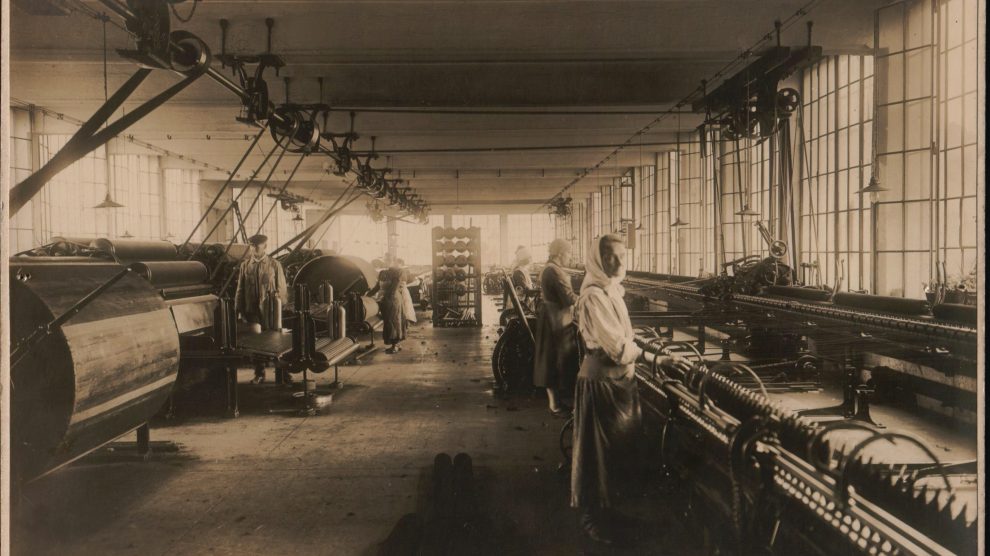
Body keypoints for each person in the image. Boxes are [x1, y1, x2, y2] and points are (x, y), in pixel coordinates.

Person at [570, 234, 690, 545]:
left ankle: (612, 513)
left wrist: (647, 351)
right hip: (601, 382)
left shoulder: (612, 291)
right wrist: (656, 358)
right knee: (597, 453)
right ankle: (593, 521)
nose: (620, 261)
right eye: (612, 256)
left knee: (617, 451)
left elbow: (625, 337)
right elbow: (617, 347)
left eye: (623, 255)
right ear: (599, 260)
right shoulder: (593, 296)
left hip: (619, 380)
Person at [234, 234, 289, 384]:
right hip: (252, 309)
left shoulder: (274, 264)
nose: (255, 248)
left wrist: (279, 308)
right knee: (256, 342)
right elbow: (240, 289)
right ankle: (259, 374)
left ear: (265, 246)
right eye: (252, 246)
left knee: (277, 340)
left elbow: (282, 289)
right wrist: (238, 309)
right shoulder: (245, 265)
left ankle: (283, 374)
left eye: (257, 245)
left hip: (271, 310)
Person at [533, 239, 578, 417]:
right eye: (569, 253)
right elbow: (568, 298)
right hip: (556, 320)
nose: (570, 257)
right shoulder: (554, 271)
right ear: (560, 253)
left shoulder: (550, 268)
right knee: (555, 361)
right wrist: (588, 298)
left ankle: (556, 403)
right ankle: (556, 405)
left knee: (552, 361)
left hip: (553, 318)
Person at [380, 267, 408, 354]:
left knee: (394, 321)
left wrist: (385, 297)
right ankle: (396, 345)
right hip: (390, 299)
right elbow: (377, 287)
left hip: (393, 300)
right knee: (391, 321)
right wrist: (368, 295)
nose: (382, 278)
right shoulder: (386, 276)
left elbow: (392, 290)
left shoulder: (395, 279)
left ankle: (395, 346)